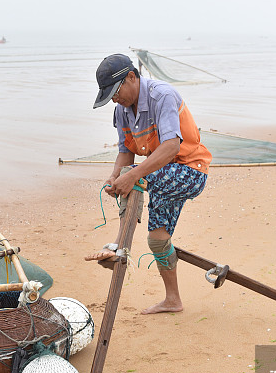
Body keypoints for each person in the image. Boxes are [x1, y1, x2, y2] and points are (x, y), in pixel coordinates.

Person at [86, 54, 212, 315]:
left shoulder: (161, 95)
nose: (115, 99)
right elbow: (125, 152)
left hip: (191, 172)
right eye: (110, 96)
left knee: (134, 175)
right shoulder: (121, 111)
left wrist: (130, 176)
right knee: (157, 239)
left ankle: (118, 248)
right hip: (162, 175)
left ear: (131, 77)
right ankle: (173, 300)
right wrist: (115, 177)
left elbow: (171, 147)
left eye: (116, 92)